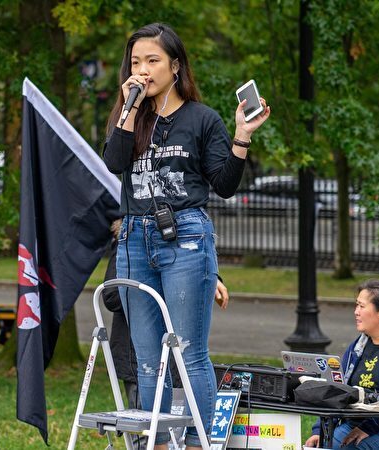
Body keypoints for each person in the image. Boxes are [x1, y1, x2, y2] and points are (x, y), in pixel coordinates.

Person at [102, 23, 270, 449]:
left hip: (185, 238)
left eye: (153, 61)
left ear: (175, 66)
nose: (143, 70)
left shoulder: (201, 118)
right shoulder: (130, 116)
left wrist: (242, 135)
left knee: (187, 350)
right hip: (135, 238)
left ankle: (197, 442)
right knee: (145, 356)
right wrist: (127, 109)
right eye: (136, 62)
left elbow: (225, 183)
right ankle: (156, 442)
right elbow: (114, 162)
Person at [102, 219, 230, 448]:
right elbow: (111, 295)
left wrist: (191, 285)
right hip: (136, 358)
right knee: (146, 435)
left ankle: (195, 441)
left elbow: (187, 273)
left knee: (194, 366)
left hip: (175, 361)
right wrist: (164, 294)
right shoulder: (130, 240)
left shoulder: (187, 238)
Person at [305, 280, 379, 450]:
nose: (356, 312)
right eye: (356, 305)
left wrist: (367, 428)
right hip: (353, 422)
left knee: (345, 447)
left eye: (362, 306)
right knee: (317, 446)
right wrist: (319, 430)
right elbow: (337, 391)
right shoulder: (356, 349)